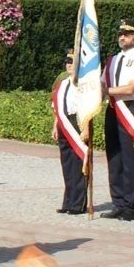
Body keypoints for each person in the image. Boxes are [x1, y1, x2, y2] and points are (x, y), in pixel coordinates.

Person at [101, 19, 134, 221]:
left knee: (130, 158)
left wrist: (106, 91)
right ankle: (118, 202)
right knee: (114, 157)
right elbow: (101, 83)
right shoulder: (112, 60)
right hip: (113, 109)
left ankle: (131, 205)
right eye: (120, 33)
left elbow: (130, 88)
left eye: (127, 34)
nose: (122, 37)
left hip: (130, 109)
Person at [52, 49, 87, 215]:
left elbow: (88, 107)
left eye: (73, 61)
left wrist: (86, 128)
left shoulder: (84, 84)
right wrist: (55, 125)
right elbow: (57, 108)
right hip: (63, 123)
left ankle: (78, 204)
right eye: (67, 61)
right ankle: (68, 201)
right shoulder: (62, 83)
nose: (69, 64)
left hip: (78, 121)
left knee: (78, 164)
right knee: (66, 164)